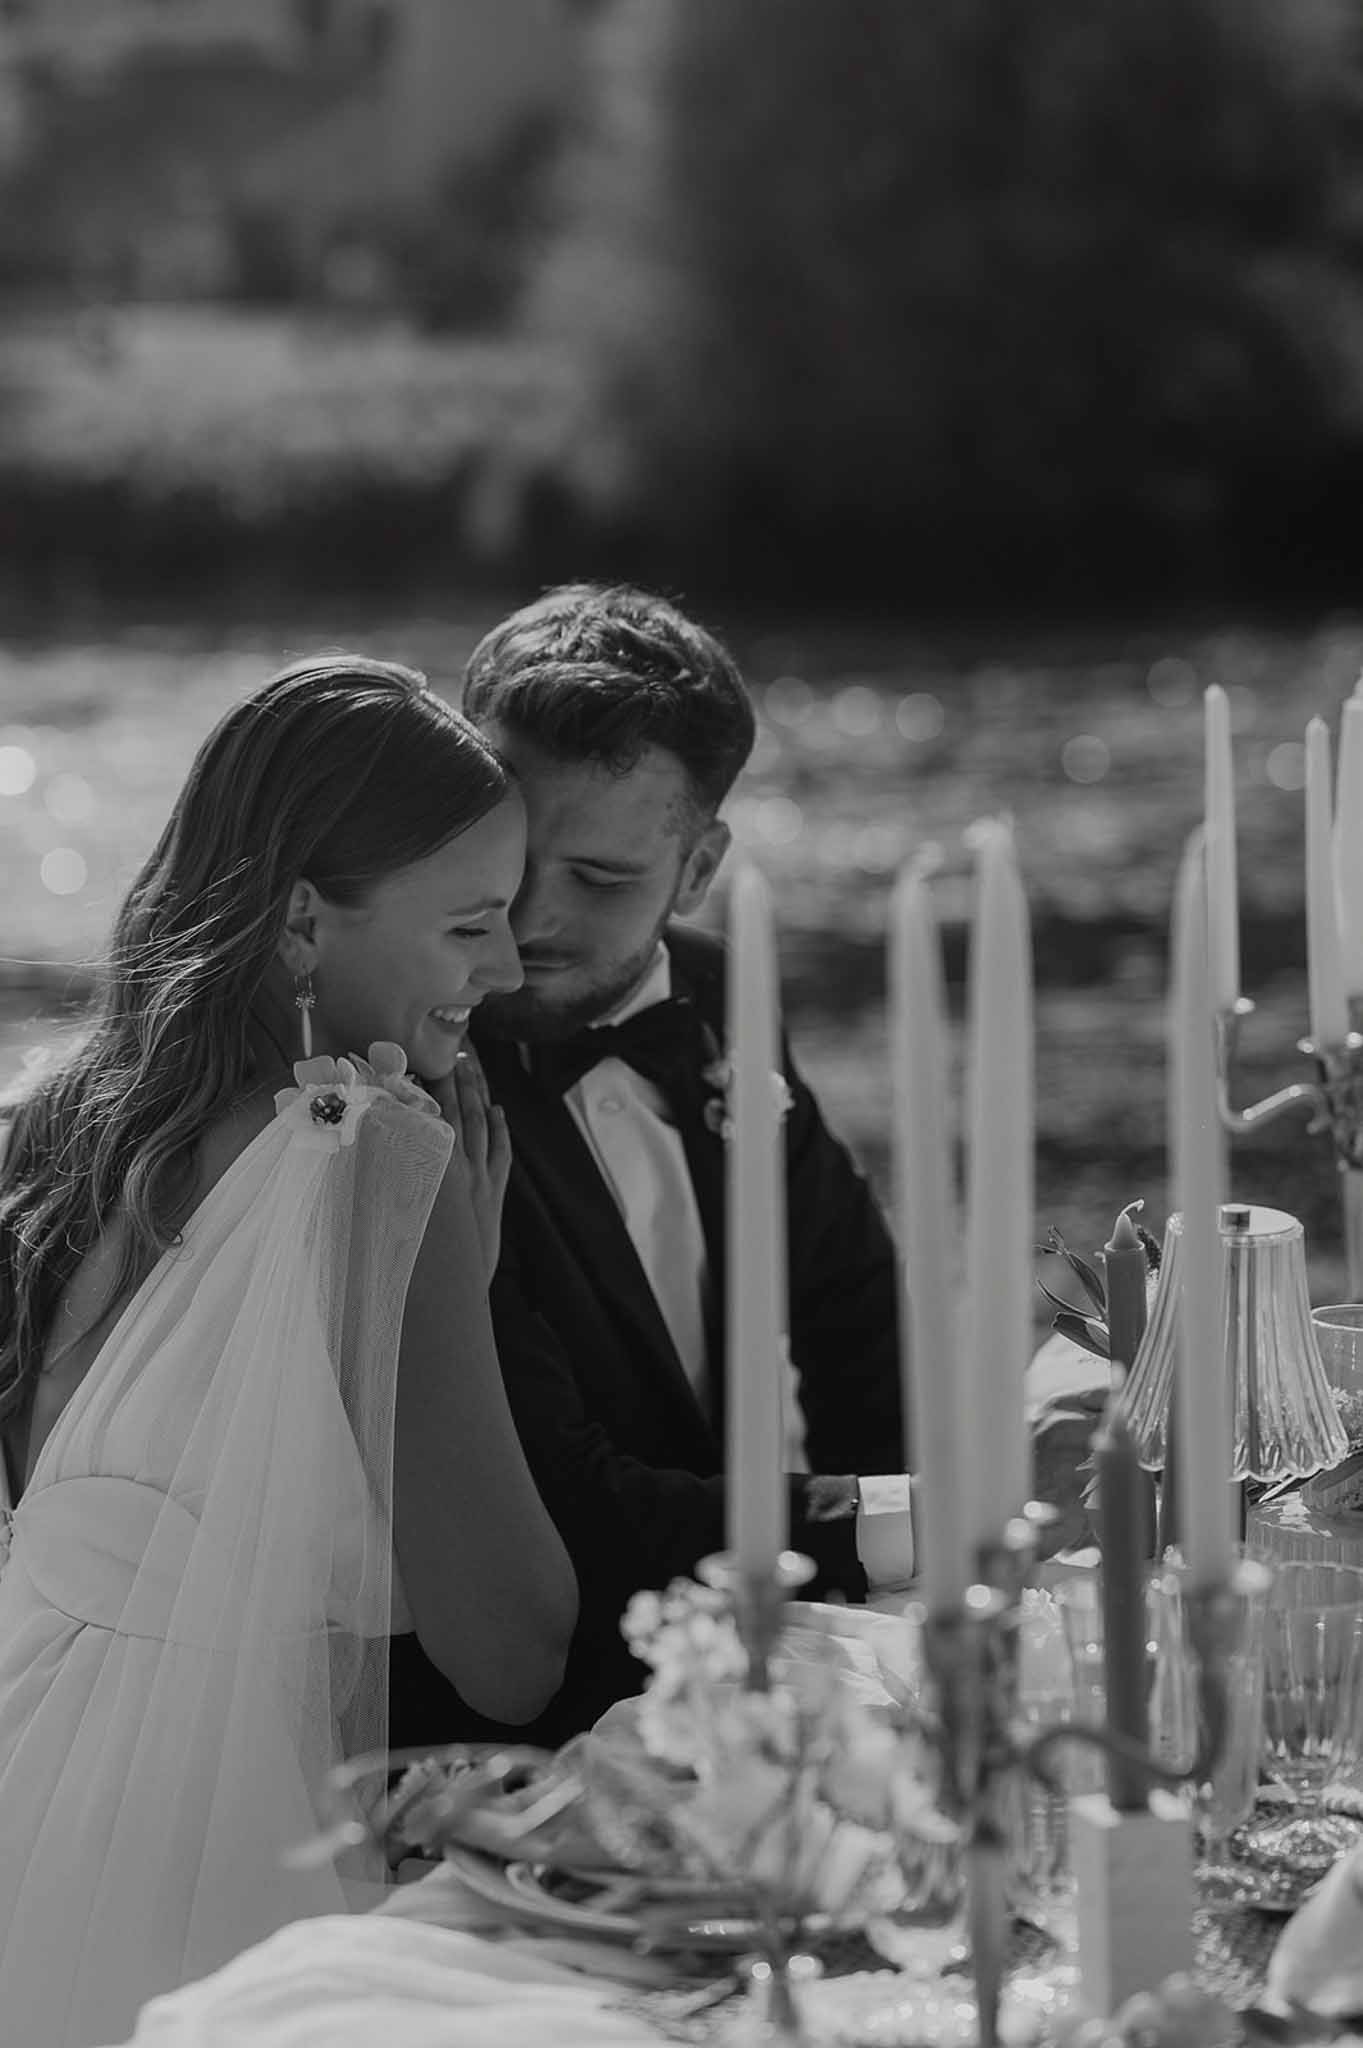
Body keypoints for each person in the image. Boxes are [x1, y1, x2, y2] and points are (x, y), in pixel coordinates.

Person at [387, 583, 1097, 1748]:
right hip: (506, 1720)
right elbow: (568, 1493)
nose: (527, 915)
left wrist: (952, 1558)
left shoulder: (720, 995)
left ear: (700, 864)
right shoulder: (428, 1069)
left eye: (602, 878)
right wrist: (921, 1518)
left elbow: (859, 1325)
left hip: (737, 1658)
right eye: (511, 853)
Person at [0, 656, 578, 2048]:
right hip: (206, 1837)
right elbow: (511, 1649)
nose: (502, 969)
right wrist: (451, 1285)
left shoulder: (55, 1121)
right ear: (307, 928)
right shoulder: (380, 1160)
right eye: (470, 926)